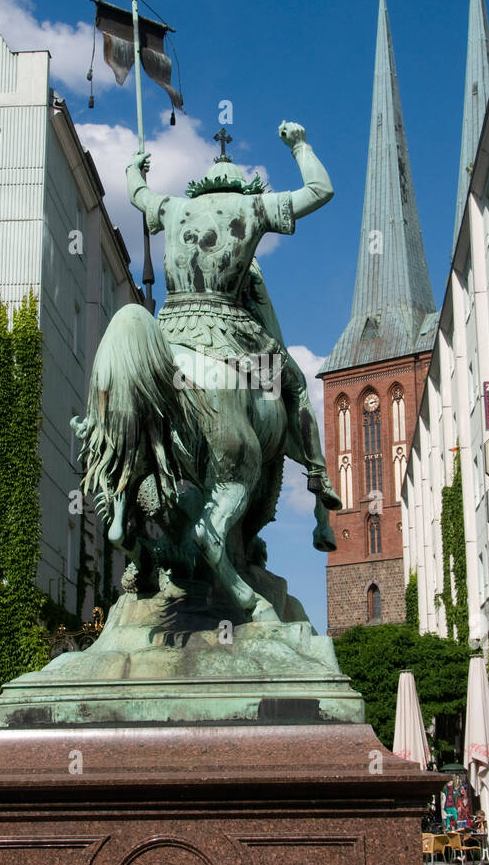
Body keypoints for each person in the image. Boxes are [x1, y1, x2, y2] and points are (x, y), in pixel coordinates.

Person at [126, 122, 342, 547]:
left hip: (169, 330)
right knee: (293, 385)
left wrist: (136, 168)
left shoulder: (172, 207)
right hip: (230, 333)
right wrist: (299, 145)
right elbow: (321, 190)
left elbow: (136, 194)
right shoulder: (254, 208)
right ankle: (318, 480)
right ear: (240, 190)